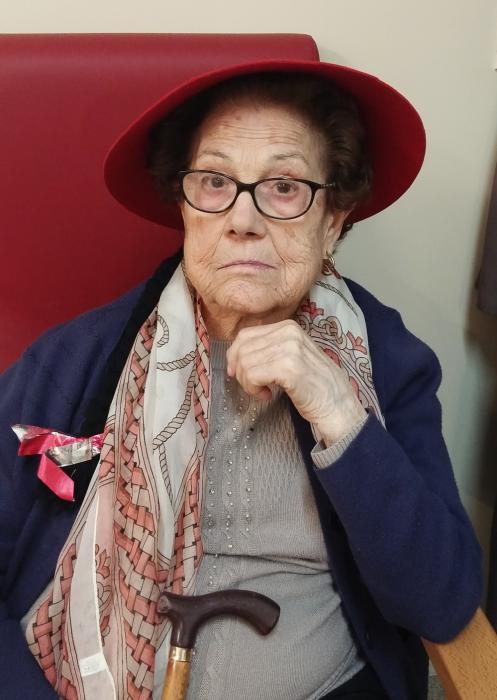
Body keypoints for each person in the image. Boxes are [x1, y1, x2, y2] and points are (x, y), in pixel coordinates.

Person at [0, 59, 483, 700]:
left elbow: (442, 600)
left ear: (332, 220)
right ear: (185, 207)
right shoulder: (72, 363)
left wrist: (340, 416)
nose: (243, 219)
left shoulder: (388, 358)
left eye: (284, 186)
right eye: (214, 181)